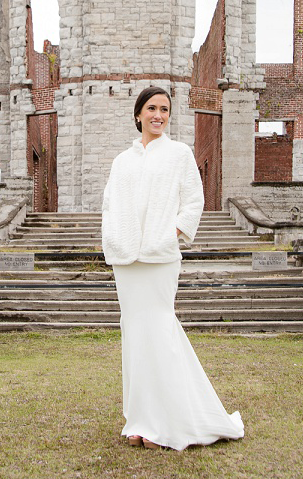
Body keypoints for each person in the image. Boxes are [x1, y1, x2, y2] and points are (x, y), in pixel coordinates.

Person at [101, 86, 245, 451]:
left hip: (160, 258)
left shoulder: (180, 154)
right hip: (126, 262)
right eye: (151, 108)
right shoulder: (122, 161)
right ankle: (139, 420)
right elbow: (110, 207)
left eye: (164, 109)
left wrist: (169, 234)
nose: (158, 115)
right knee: (134, 334)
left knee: (159, 328)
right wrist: (116, 240)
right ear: (138, 115)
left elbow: (193, 202)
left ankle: (168, 422)